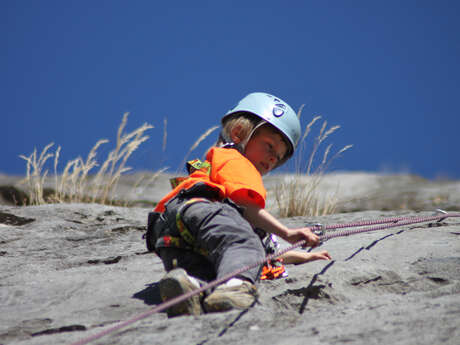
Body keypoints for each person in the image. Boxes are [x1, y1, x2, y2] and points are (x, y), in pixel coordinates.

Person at [146, 92, 331, 317]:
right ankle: (234, 288)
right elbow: (246, 209)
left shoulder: (217, 163)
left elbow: (262, 252)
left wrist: (302, 256)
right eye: (270, 146)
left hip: (171, 232)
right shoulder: (236, 160)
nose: (273, 158)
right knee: (245, 243)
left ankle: (188, 287)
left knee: (215, 267)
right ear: (239, 133)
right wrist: (288, 232)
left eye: (279, 157)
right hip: (203, 210)